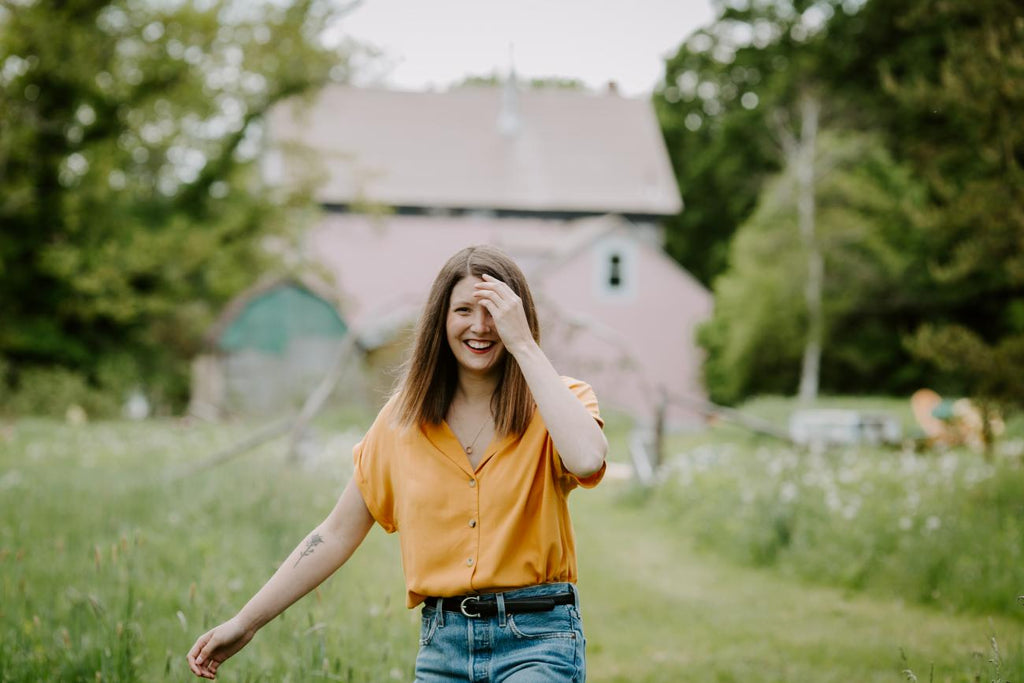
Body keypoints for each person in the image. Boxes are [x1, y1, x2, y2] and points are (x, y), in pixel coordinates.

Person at [187, 245, 608, 681]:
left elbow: (586, 458)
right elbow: (333, 534)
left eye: (494, 312)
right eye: (464, 309)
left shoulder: (561, 400)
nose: (480, 326)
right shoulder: (401, 422)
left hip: (538, 641)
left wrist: (523, 343)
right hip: (444, 648)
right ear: (440, 319)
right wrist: (245, 622)